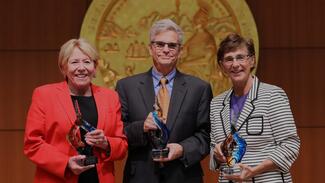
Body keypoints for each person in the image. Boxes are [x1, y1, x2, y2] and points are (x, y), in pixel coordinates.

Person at [116, 19, 213, 183]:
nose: (166, 50)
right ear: (150, 49)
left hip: (183, 176)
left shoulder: (199, 88)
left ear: (180, 51)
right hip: (141, 177)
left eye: (172, 45)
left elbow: (206, 135)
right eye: (160, 44)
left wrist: (182, 149)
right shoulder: (126, 86)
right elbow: (118, 131)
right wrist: (142, 127)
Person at [23, 38, 128, 183]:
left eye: (87, 62)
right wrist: (66, 163)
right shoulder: (44, 95)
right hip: (59, 178)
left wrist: (105, 143)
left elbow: (122, 145)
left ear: (95, 67)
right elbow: (32, 144)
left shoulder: (110, 97)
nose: (81, 67)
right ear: (63, 68)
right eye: (74, 62)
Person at [209, 33, 300, 182]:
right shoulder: (216, 104)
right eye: (229, 59)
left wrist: (255, 170)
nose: (235, 64)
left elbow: (290, 145)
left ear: (252, 60)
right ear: (222, 66)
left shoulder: (273, 95)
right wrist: (217, 154)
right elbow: (213, 150)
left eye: (240, 57)